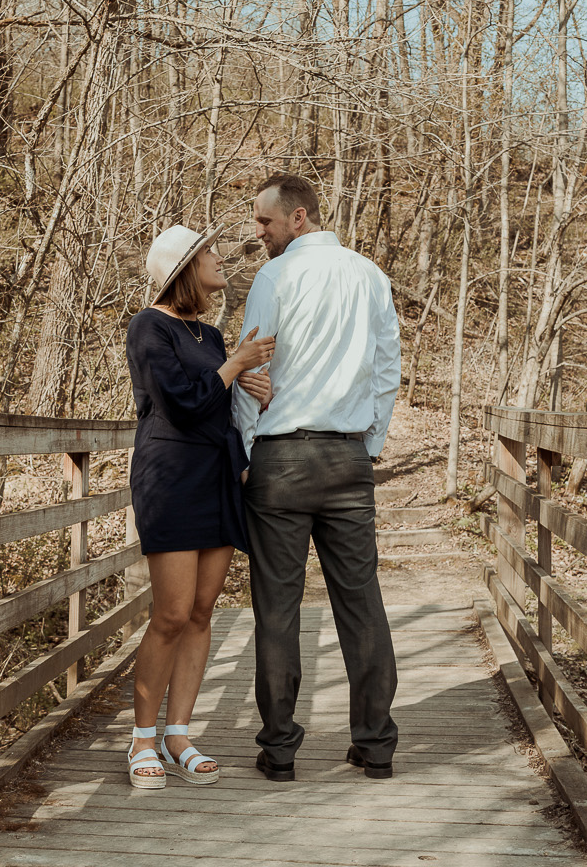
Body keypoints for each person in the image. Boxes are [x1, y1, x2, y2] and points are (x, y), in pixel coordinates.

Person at [233, 172, 401, 783]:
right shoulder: (370, 276)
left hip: (282, 459)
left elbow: (253, 365)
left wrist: (245, 448)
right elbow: (388, 370)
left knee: (277, 609)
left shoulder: (276, 277)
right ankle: (376, 745)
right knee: (361, 604)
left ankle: (279, 752)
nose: (259, 234)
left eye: (265, 222)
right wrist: (372, 442)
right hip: (347, 458)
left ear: (298, 218)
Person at [125, 224, 274, 788]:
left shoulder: (211, 336)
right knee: (169, 612)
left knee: (202, 612)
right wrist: (234, 367)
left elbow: (215, 409)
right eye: (209, 252)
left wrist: (248, 391)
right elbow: (183, 405)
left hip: (217, 478)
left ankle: (179, 733)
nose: (220, 259)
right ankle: (142, 741)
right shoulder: (148, 327)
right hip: (169, 479)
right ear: (185, 267)